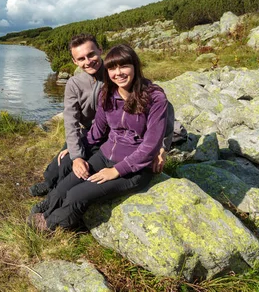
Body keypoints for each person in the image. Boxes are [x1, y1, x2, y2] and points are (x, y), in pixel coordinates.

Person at [29, 44, 169, 231]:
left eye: (124, 66)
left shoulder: (154, 97)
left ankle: (49, 225)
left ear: (135, 66)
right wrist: (75, 151)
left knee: (77, 195)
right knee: (64, 186)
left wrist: (117, 171)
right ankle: (47, 208)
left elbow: (150, 145)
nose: (118, 73)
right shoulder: (108, 95)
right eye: (112, 68)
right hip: (104, 155)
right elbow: (96, 132)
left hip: (134, 168)